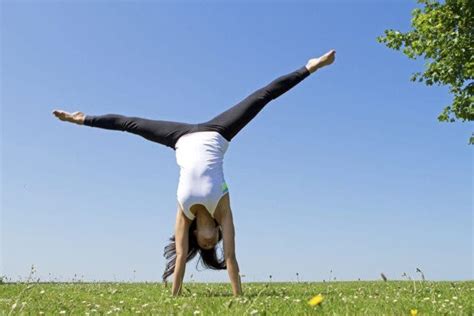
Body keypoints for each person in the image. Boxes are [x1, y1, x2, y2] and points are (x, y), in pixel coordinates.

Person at [52, 49, 336, 296]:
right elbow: (233, 258)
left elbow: (178, 263)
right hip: (218, 133)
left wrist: (175, 298)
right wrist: (238, 299)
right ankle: (312, 66)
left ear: (196, 235)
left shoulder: (183, 213)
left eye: (204, 244)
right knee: (261, 98)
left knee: (132, 124)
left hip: (180, 137)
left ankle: (82, 119)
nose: (210, 242)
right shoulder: (222, 209)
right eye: (214, 243)